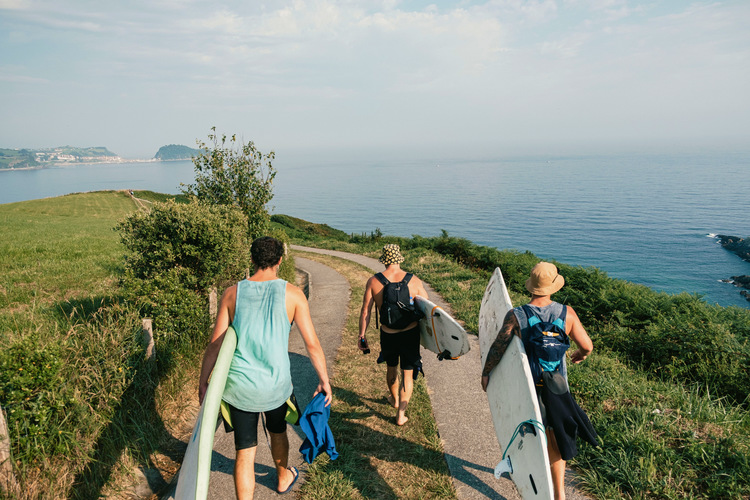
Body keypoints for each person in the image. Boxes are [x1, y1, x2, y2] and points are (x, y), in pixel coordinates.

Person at [199, 236, 332, 499]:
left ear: (252, 259)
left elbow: (215, 344)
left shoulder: (232, 293)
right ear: (280, 260)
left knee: (245, 451)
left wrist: (204, 382)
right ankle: (283, 478)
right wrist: (324, 380)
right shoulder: (293, 294)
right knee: (278, 431)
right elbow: (312, 344)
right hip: (275, 386)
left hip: (239, 388)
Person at [481, 262, 593, 500]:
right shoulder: (567, 313)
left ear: (531, 286)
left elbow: (499, 346)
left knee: (528, 434)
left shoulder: (517, 315)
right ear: (553, 287)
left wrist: (487, 372)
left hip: (527, 389)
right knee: (554, 440)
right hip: (557, 389)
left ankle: (529, 480)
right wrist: (580, 355)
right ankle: (559, 494)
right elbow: (587, 346)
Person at [358, 244, 428, 426]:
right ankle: (401, 414)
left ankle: (394, 399)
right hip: (410, 333)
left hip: (388, 333)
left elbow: (366, 311)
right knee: (407, 372)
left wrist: (362, 335)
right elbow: (429, 309)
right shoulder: (414, 281)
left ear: (384, 260)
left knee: (391, 367)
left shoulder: (374, 282)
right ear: (399, 259)